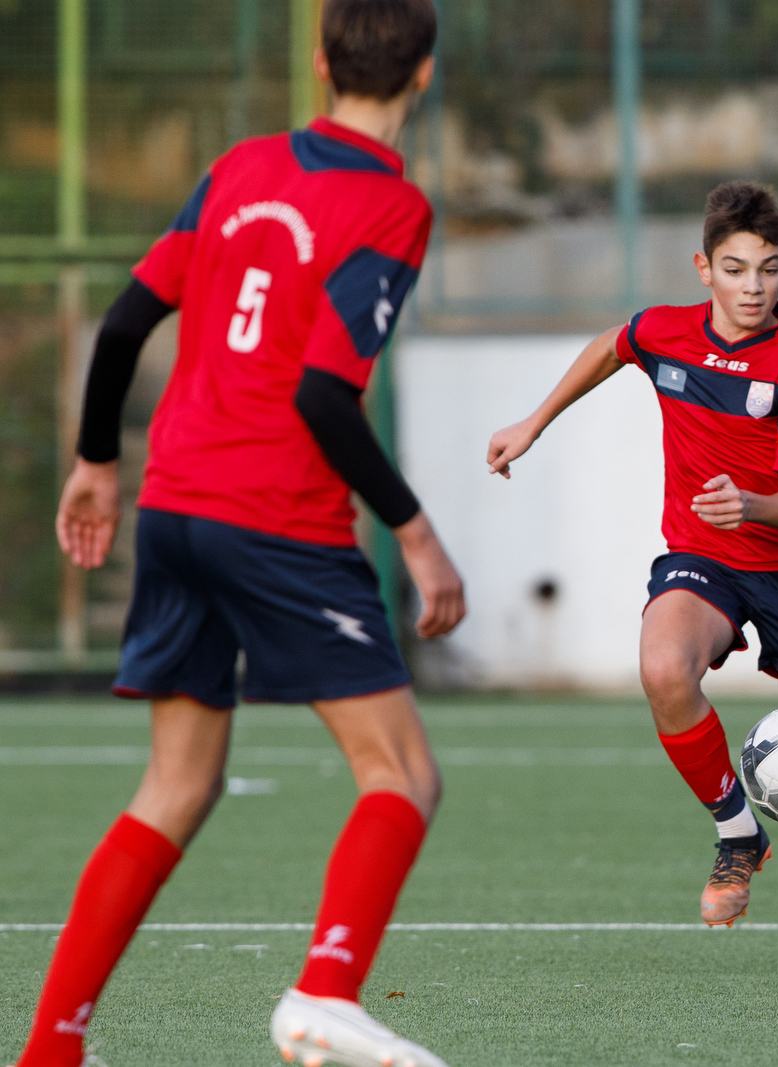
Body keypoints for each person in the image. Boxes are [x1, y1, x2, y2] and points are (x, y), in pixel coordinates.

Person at [12, 2, 465, 1064]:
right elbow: (321, 393)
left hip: (171, 505)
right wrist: (414, 531)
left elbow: (125, 321)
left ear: (319, 62)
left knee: (176, 783)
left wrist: (95, 459)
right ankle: (324, 988)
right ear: (425, 76)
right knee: (401, 771)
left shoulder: (242, 165)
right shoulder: (390, 206)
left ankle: (49, 1048)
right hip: (274, 520)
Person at [485, 182, 778, 970]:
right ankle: (737, 833)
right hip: (702, 555)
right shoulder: (665, 332)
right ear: (703, 268)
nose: (752, 286)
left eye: (768, 269)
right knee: (661, 668)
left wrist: (745, 501)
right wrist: (532, 422)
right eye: (736, 268)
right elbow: (614, 345)